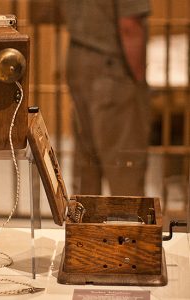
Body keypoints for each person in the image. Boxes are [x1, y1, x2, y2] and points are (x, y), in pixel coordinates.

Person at [64, 0, 151, 196]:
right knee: (125, 161)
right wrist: (138, 80)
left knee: (86, 161)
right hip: (112, 64)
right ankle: (128, 224)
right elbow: (129, 26)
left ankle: (84, 225)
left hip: (77, 56)